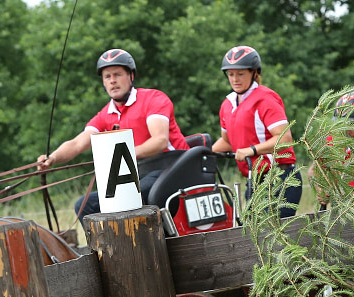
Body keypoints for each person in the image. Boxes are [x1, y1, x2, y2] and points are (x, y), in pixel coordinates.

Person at [37, 48, 189, 226]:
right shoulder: (105, 115)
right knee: (85, 206)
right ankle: (109, 252)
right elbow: (78, 143)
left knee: (138, 195)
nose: (113, 81)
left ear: (131, 76)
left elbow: (159, 141)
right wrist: (52, 158)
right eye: (107, 77)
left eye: (117, 74)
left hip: (170, 168)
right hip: (138, 175)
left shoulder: (153, 99)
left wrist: (120, 157)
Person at [211, 45, 302, 218]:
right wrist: (202, 154)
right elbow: (227, 141)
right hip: (255, 181)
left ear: (254, 73)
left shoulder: (265, 98)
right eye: (230, 74)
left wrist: (252, 150)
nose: (235, 79)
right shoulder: (227, 104)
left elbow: (285, 140)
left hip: (280, 177)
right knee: (252, 236)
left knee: (274, 236)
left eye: (240, 74)